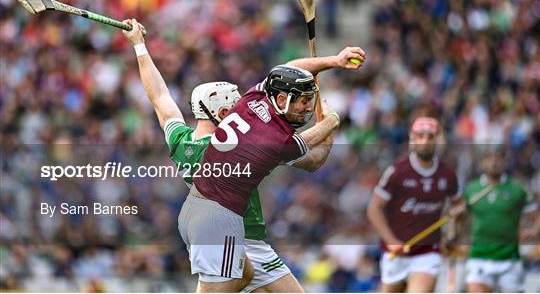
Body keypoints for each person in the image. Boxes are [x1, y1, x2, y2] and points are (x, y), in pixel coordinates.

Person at [122, 18, 364, 292]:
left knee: (247, 278)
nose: (242, 104)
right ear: (223, 114)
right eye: (234, 103)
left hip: (239, 234)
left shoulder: (181, 141)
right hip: (223, 224)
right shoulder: (254, 141)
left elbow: (161, 99)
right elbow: (313, 158)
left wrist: (140, 47)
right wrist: (329, 121)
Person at [367, 117, 461, 292]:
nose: (425, 141)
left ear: (437, 140)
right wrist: (392, 241)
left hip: (428, 251)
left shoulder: (448, 175)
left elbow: (459, 207)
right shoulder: (397, 172)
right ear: (412, 139)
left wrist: (453, 231)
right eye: (420, 136)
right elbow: (374, 209)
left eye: (430, 136)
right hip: (396, 251)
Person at [461, 147, 539, 293]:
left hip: (509, 259)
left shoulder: (517, 189)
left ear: (505, 162)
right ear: (482, 163)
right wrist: (454, 231)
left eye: (498, 159)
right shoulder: (472, 189)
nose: (494, 163)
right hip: (480, 256)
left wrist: (533, 231)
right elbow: (460, 219)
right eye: (489, 159)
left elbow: (536, 216)